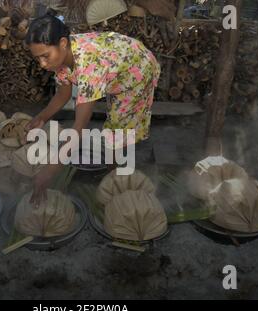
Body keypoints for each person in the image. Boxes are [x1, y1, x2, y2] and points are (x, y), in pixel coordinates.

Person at [25, 12, 161, 205]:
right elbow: (63, 94)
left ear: (63, 43)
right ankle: (113, 173)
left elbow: (78, 130)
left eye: (45, 56)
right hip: (115, 67)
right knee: (115, 125)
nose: (43, 64)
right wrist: (42, 117)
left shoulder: (89, 65)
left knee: (118, 131)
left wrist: (48, 172)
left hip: (137, 69)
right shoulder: (61, 58)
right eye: (37, 58)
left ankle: (116, 181)